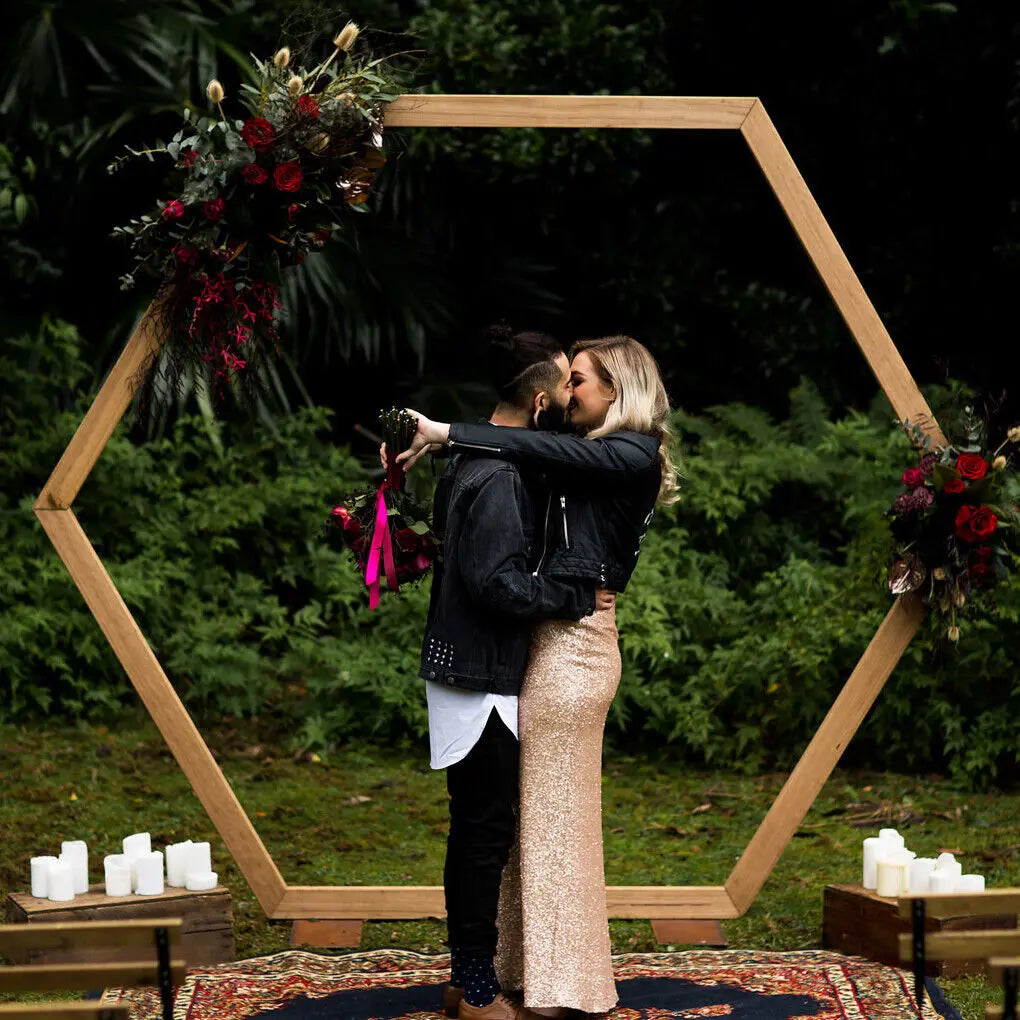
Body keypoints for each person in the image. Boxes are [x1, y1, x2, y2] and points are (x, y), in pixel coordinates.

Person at [399, 335, 678, 1017]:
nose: (568, 393)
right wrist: (433, 451)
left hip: (574, 641)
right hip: (545, 637)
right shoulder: (573, 453)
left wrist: (442, 434)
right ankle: (507, 973)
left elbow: (532, 445)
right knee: (516, 822)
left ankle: (554, 984)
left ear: (618, 389)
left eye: (580, 381)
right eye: (565, 382)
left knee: (546, 820)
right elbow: (520, 445)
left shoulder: (632, 451)